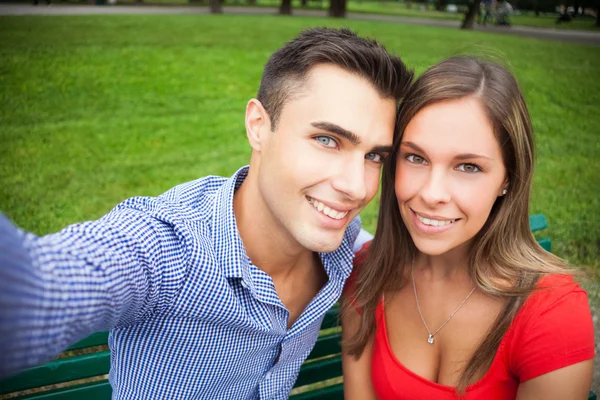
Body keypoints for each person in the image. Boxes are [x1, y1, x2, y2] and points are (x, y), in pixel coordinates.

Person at [0, 28, 413, 399]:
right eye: (327, 140)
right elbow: (45, 289)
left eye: (375, 155)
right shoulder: (163, 247)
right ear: (257, 125)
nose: (357, 187)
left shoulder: (339, 239)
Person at [341, 56, 594, 400]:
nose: (431, 194)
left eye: (468, 167)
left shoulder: (550, 312)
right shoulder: (368, 274)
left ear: (507, 178)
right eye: (416, 157)